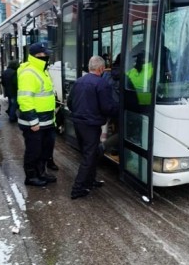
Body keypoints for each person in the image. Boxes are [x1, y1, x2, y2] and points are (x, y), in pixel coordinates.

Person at [67, 56, 119, 199]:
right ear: (101, 68)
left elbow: (70, 102)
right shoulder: (102, 84)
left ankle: (90, 181)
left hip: (78, 123)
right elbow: (107, 107)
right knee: (89, 156)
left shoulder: (78, 81)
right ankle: (77, 189)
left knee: (89, 153)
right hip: (91, 125)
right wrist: (119, 110)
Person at [17, 42, 57, 186]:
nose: (46, 57)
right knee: (34, 151)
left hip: (46, 121)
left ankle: (41, 173)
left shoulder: (42, 70)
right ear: (34, 56)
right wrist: (33, 121)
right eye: (42, 55)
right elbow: (25, 99)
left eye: (46, 54)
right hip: (35, 123)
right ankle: (31, 177)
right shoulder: (29, 73)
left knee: (45, 150)